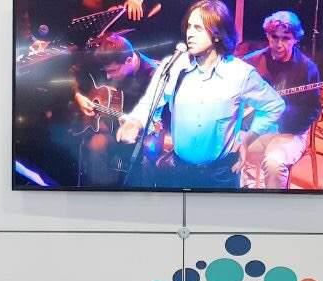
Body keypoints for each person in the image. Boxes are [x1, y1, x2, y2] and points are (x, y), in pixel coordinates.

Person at [117, 0, 285, 189]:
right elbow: (149, 103)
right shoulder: (174, 66)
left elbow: (274, 105)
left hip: (220, 175)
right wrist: (135, 122)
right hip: (179, 171)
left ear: (217, 34)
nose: (189, 33)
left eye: (198, 28)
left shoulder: (240, 74)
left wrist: (247, 139)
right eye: (189, 26)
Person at [240, 11, 321, 189]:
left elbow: (312, 110)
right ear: (268, 36)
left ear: (295, 39)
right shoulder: (253, 62)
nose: (278, 44)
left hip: (290, 133)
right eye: (274, 37)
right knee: (226, 148)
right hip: (256, 127)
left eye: (285, 38)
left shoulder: (308, 69)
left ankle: (274, 203)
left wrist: (283, 114)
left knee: (274, 163)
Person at [74, 34, 159, 186]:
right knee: (95, 144)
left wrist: (136, 125)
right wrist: (78, 95)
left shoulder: (153, 76)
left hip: (137, 136)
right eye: (106, 71)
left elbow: (158, 120)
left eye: (113, 71)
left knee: (147, 155)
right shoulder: (110, 57)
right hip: (110, 127)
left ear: (129, 61)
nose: (108, 76)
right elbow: (73, 71)